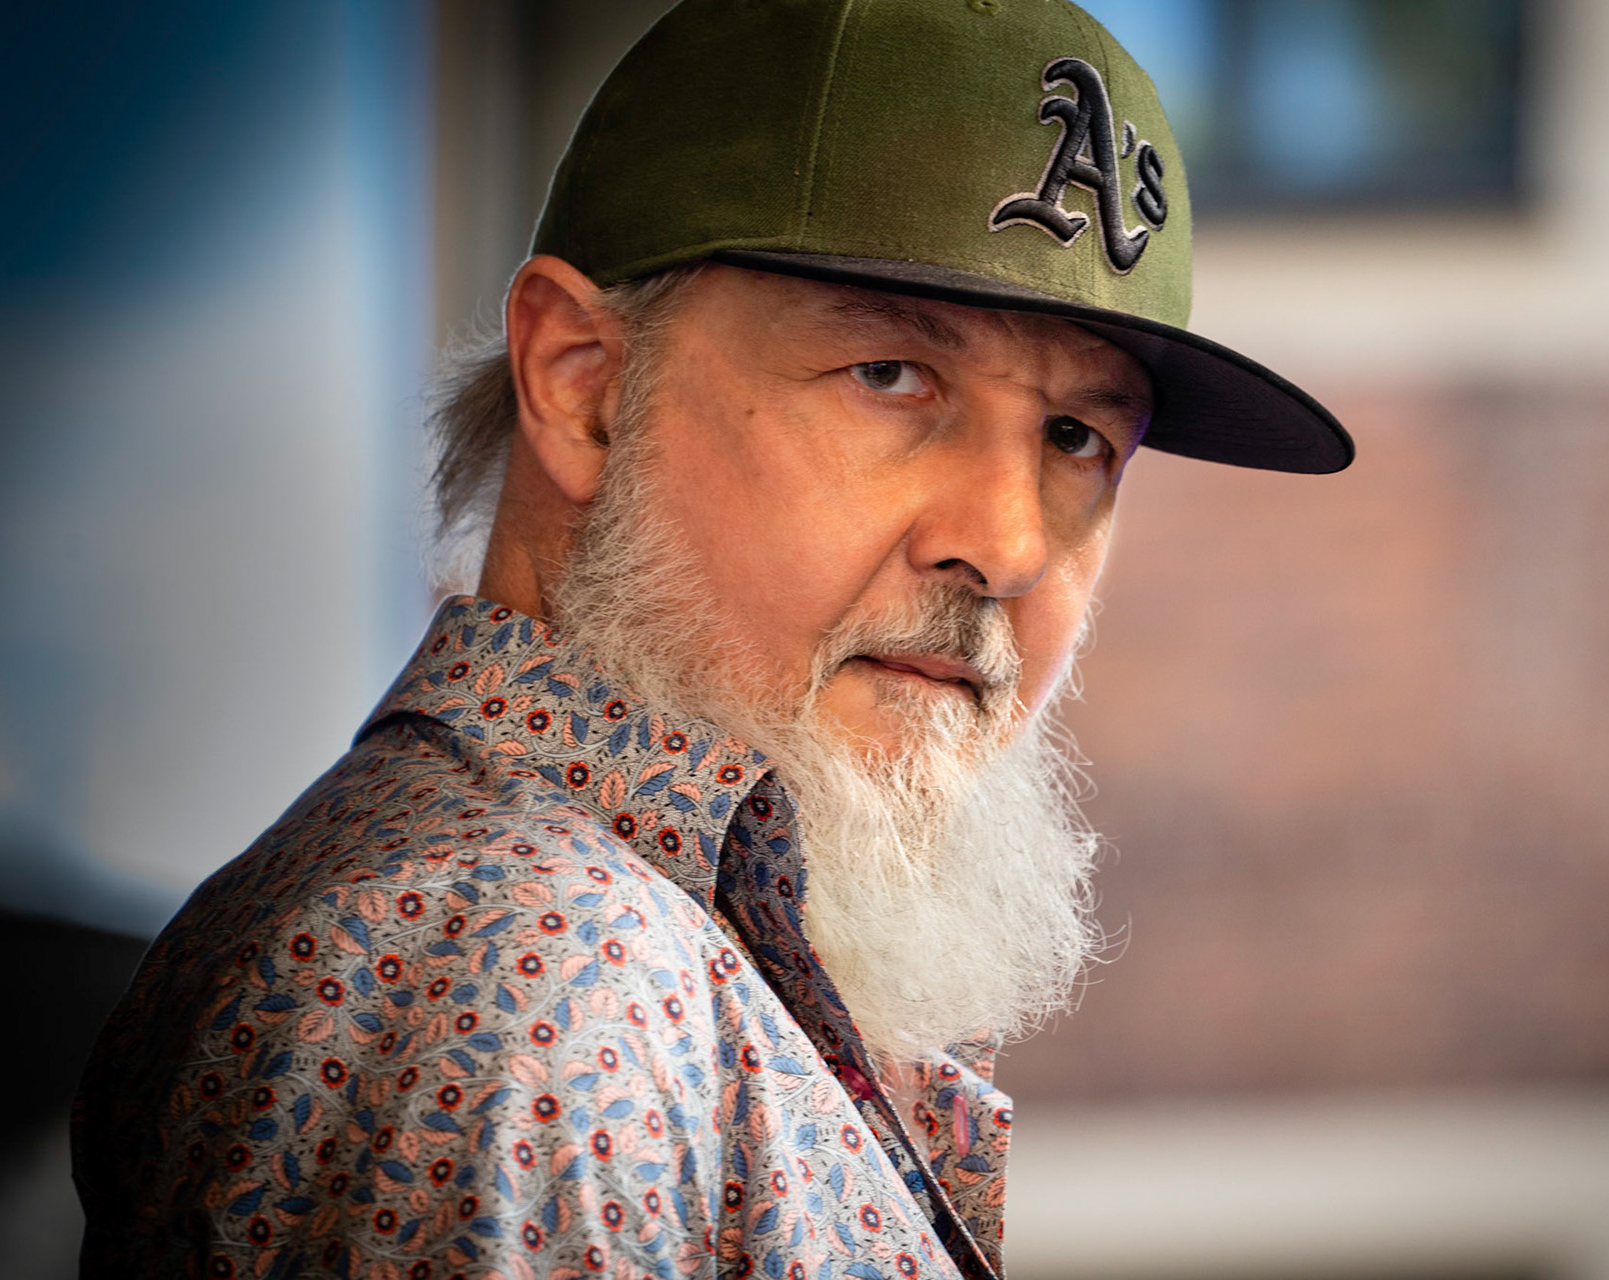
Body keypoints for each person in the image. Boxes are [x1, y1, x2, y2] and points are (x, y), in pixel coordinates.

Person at [72, 1, 1352, 1276]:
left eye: (1079, 436)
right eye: (893, 376)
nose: (1007, 544)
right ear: (582, 388)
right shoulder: (548, 978)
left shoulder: (633, 945)